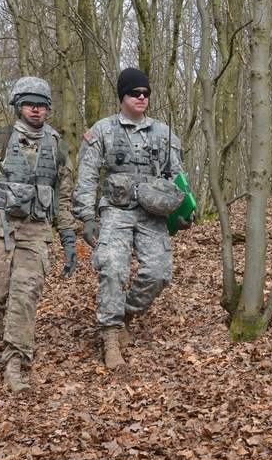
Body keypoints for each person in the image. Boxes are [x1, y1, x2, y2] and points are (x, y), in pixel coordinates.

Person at [0, 77, 78, 394]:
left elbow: (63, 200)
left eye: (41, 104)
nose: (36, 109)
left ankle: (14, 362)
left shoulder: (58, 147)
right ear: (18, 106)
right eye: (29, 103)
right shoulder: (0, 140)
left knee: (25, 298)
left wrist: (67, 236)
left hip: (36, 232)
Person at [73, 67, 194, 371]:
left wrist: (183, 211)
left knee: (159, 272)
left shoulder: (164, 133)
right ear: (122, 96)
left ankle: (125, 313)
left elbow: (176, 176)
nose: (141, 98)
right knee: (113, 268)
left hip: (153, 213)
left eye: (145, 93)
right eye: (134, 93)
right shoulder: (102, 130)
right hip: (116, 210)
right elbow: (87, 176)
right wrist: (87, 216)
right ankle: (111, 336)